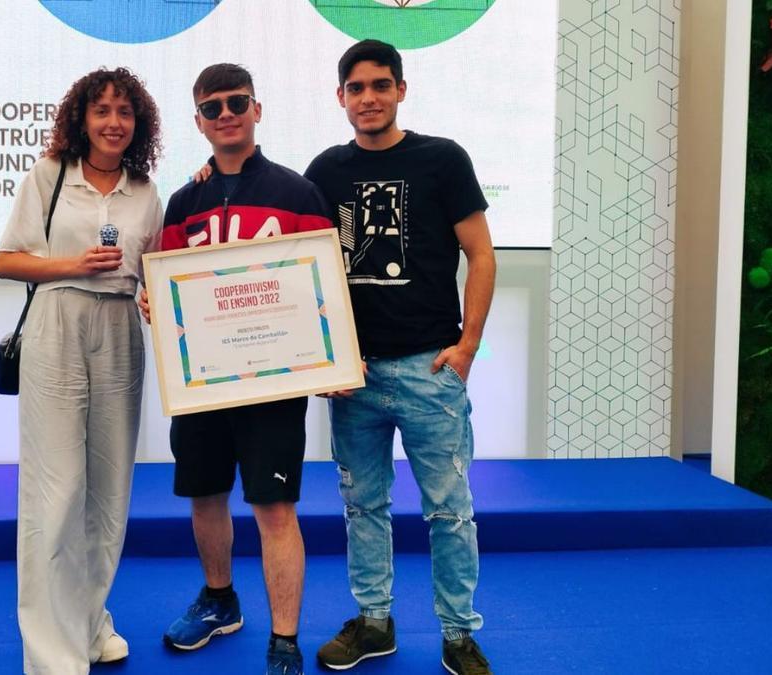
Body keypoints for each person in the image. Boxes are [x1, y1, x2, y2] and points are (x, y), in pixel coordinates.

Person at [304, 40, 496, 675]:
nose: (369, 98)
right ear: (341, 98)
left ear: (401, 90)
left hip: (428, 369)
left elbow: (482, 254)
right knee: (362, 507)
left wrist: (468, 346)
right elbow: (292, 265)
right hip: (353, 375)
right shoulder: (324, 171)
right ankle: (374, 622)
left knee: (449, 510)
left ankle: (458, 633)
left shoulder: (443, 159)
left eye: (381, 86)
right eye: (356, 89)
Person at [139, 63, 332, 675]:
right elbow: (166, 287)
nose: (226, 114)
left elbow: (324, 291)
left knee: (275, 508)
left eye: (236, 103)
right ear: (198, 120)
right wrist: (154, 301)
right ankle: (220, 600)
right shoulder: (184, 200)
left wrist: (329, 352)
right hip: (203, 384)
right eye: (213, 107)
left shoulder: (297, 193)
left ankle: (284, 640)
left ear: (256, 109)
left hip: (274, 386)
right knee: (204, 494)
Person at [0, 67, 163, 675]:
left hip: (121, 329)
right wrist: (73, 265)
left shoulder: (146, 190)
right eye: (102, 111)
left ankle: (90, 625)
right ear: (81, 119)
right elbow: (6, 262)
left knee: (109, 493)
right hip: (57, 325)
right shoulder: (48, 175)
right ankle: (51, 653)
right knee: (56, 490)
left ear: (137, 122)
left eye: (124, 112)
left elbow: (157, 274)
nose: (114, 122)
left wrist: (153, 296)